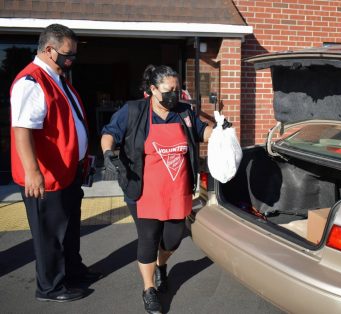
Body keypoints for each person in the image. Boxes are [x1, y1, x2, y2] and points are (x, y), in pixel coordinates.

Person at [101, 65, 223, 314]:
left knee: (172, 239)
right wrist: (107, 153)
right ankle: (148, 289)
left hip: (177, 190)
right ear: (153, 89)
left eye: (177, 90)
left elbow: (203, 132)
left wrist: (221, 130)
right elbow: (109, 133)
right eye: (169, 90)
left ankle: (161, 264)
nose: (174, 96)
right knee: (148, 238)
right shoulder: (133, 111)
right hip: (143, 190)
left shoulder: (184, 112)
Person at [10, 23, 102, 302]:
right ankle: (50, 287)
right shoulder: (32, 81)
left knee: (70, 229)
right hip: (47, 178)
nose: (71, 58)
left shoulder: (58, 78)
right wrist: (32, 173)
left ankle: (73, 272)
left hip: (68, 173)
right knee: (50, 236)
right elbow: (22, 130)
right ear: (49, 50)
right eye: (67, 53)